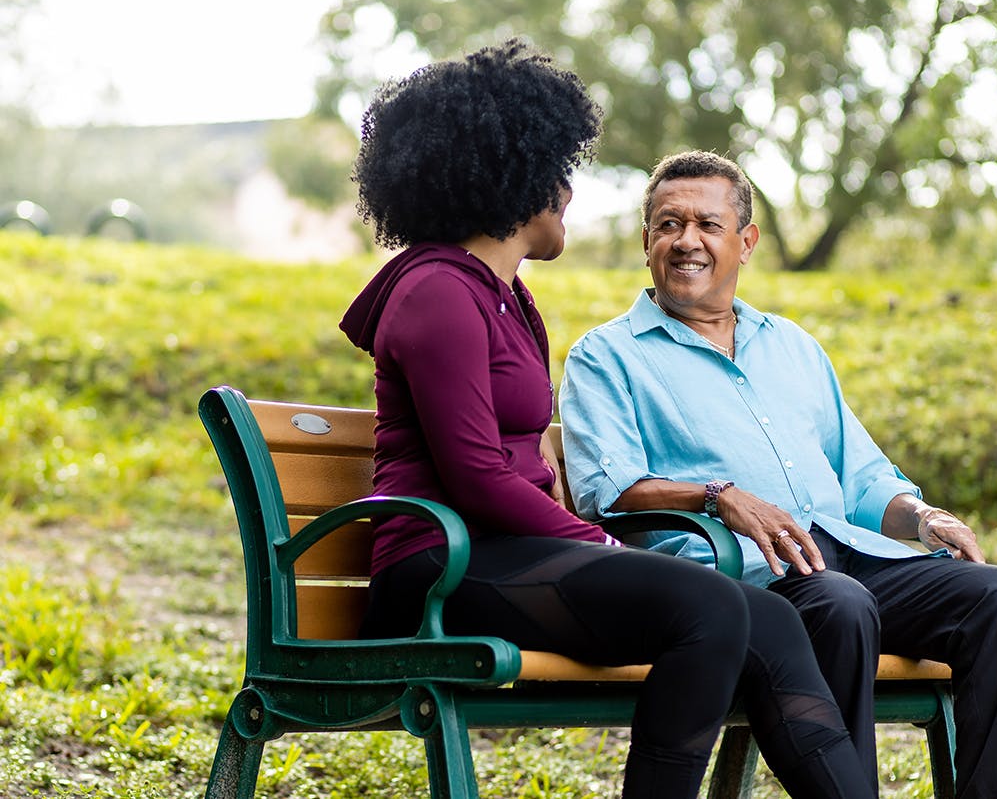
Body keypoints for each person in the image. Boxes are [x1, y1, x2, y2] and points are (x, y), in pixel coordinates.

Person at [339, 43, 875, 799]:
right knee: (712, 607)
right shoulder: (437, 292)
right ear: (513, 176)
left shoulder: (507, 297)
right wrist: (598, 542)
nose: (567, 191)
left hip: (508, 557)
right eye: (558, 171)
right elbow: (477, 478)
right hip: (440, 567)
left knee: (772, 621)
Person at [559, 150, 997, 798]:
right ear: (646, 241)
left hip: (844, 557)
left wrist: (922, 517)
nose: (686, 241)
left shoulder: (791, 345)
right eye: (668, 225)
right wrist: (716, 497)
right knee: (842, 604)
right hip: (739, 582)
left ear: (746, 242)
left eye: (708, 224)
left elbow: (860, 475)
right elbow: (604, 491)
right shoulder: (606, 356)